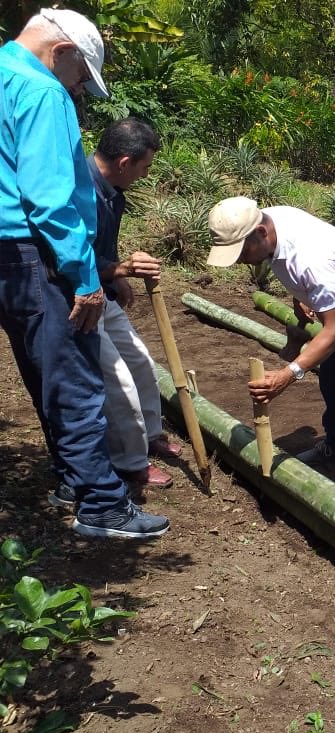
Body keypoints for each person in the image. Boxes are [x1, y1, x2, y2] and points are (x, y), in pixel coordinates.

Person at [0, 9, 169, 539]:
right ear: (63, 51)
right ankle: (101, 504)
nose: (74, 89)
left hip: (7, 256)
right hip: (36, 253)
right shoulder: (42, 89)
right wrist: (85, 276)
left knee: (44, 371)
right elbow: (48, 198)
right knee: (77, 379)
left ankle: (73, 481)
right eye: (79, 77)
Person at [206, 197, 335, 504]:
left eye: (242, 251)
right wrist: (301, 301)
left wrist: (289, 373)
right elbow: (300, 280)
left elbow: (334, 329)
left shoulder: (311, 258)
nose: (241, 259)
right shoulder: (273, 225)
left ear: (260, 232)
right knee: (333, 378)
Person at [88, 118, 182, 490]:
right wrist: (120, 268)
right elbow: (67, 255)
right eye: (144, 167)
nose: (145, 176)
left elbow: (99, 250)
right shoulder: (79, 189)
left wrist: (118, 274)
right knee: (119, 382)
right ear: (125, 162)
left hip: (102, 288)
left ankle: (150, 434)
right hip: (80, 296)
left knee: (141, 361)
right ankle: (130, 461)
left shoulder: (113, 190)